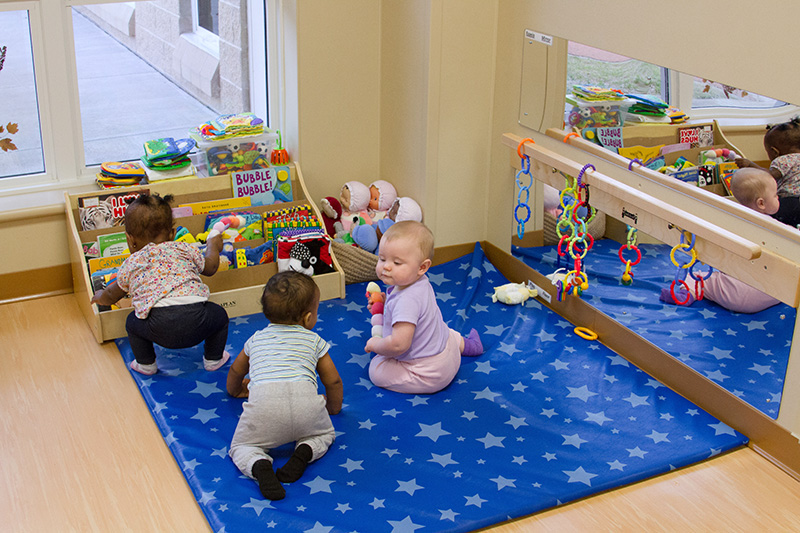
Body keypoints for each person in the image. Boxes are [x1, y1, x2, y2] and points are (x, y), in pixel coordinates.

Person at [226, 271, 342, 501]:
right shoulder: (315, 341)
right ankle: (305, 451)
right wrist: (333, 408)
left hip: (264, 410)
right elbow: (333, 380)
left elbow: (236, 370)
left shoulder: (256, 339)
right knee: (325, 433)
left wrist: (235, 390)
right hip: (306, 408)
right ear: (308, 318)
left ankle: (258, 465)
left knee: (241, 447)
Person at [90, 193, 229, 375]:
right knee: (219, 315)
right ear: (172, 233)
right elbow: (210, 267)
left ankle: (146, 364)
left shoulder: (132, 263)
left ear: (130, 239)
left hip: (158, 330)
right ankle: (213, 359)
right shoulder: (184, 248)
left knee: (132, 322)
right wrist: (212, 245)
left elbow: (110, 295)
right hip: (198, 323)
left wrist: (99, 297)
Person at [365, 220, 484, 394]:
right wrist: (384, 305)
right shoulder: (418, 282)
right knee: (444, 330)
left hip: (429, 374)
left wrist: (376, 345)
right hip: (447, 351)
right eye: (382, 258)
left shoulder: (406, 300)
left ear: (422, 267)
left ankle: (459, 352)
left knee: (376, 369)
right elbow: (411, 312)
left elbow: (399, 345)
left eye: (397, 263)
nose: (386, 267)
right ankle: (471, 346)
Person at [660, 168, 780, 313]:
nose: (778, 197)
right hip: (772, 294)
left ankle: (686, 294)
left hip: (736, 294)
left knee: (700, 277)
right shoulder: (778, 231)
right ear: (761, 203)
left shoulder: (730, 223)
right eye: (776, 195)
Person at [736, 117, 800, 227]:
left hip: (789, 201)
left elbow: (769, 176)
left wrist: (750, 165)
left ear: (775, 152)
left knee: (769, 216)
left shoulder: (783, 160)